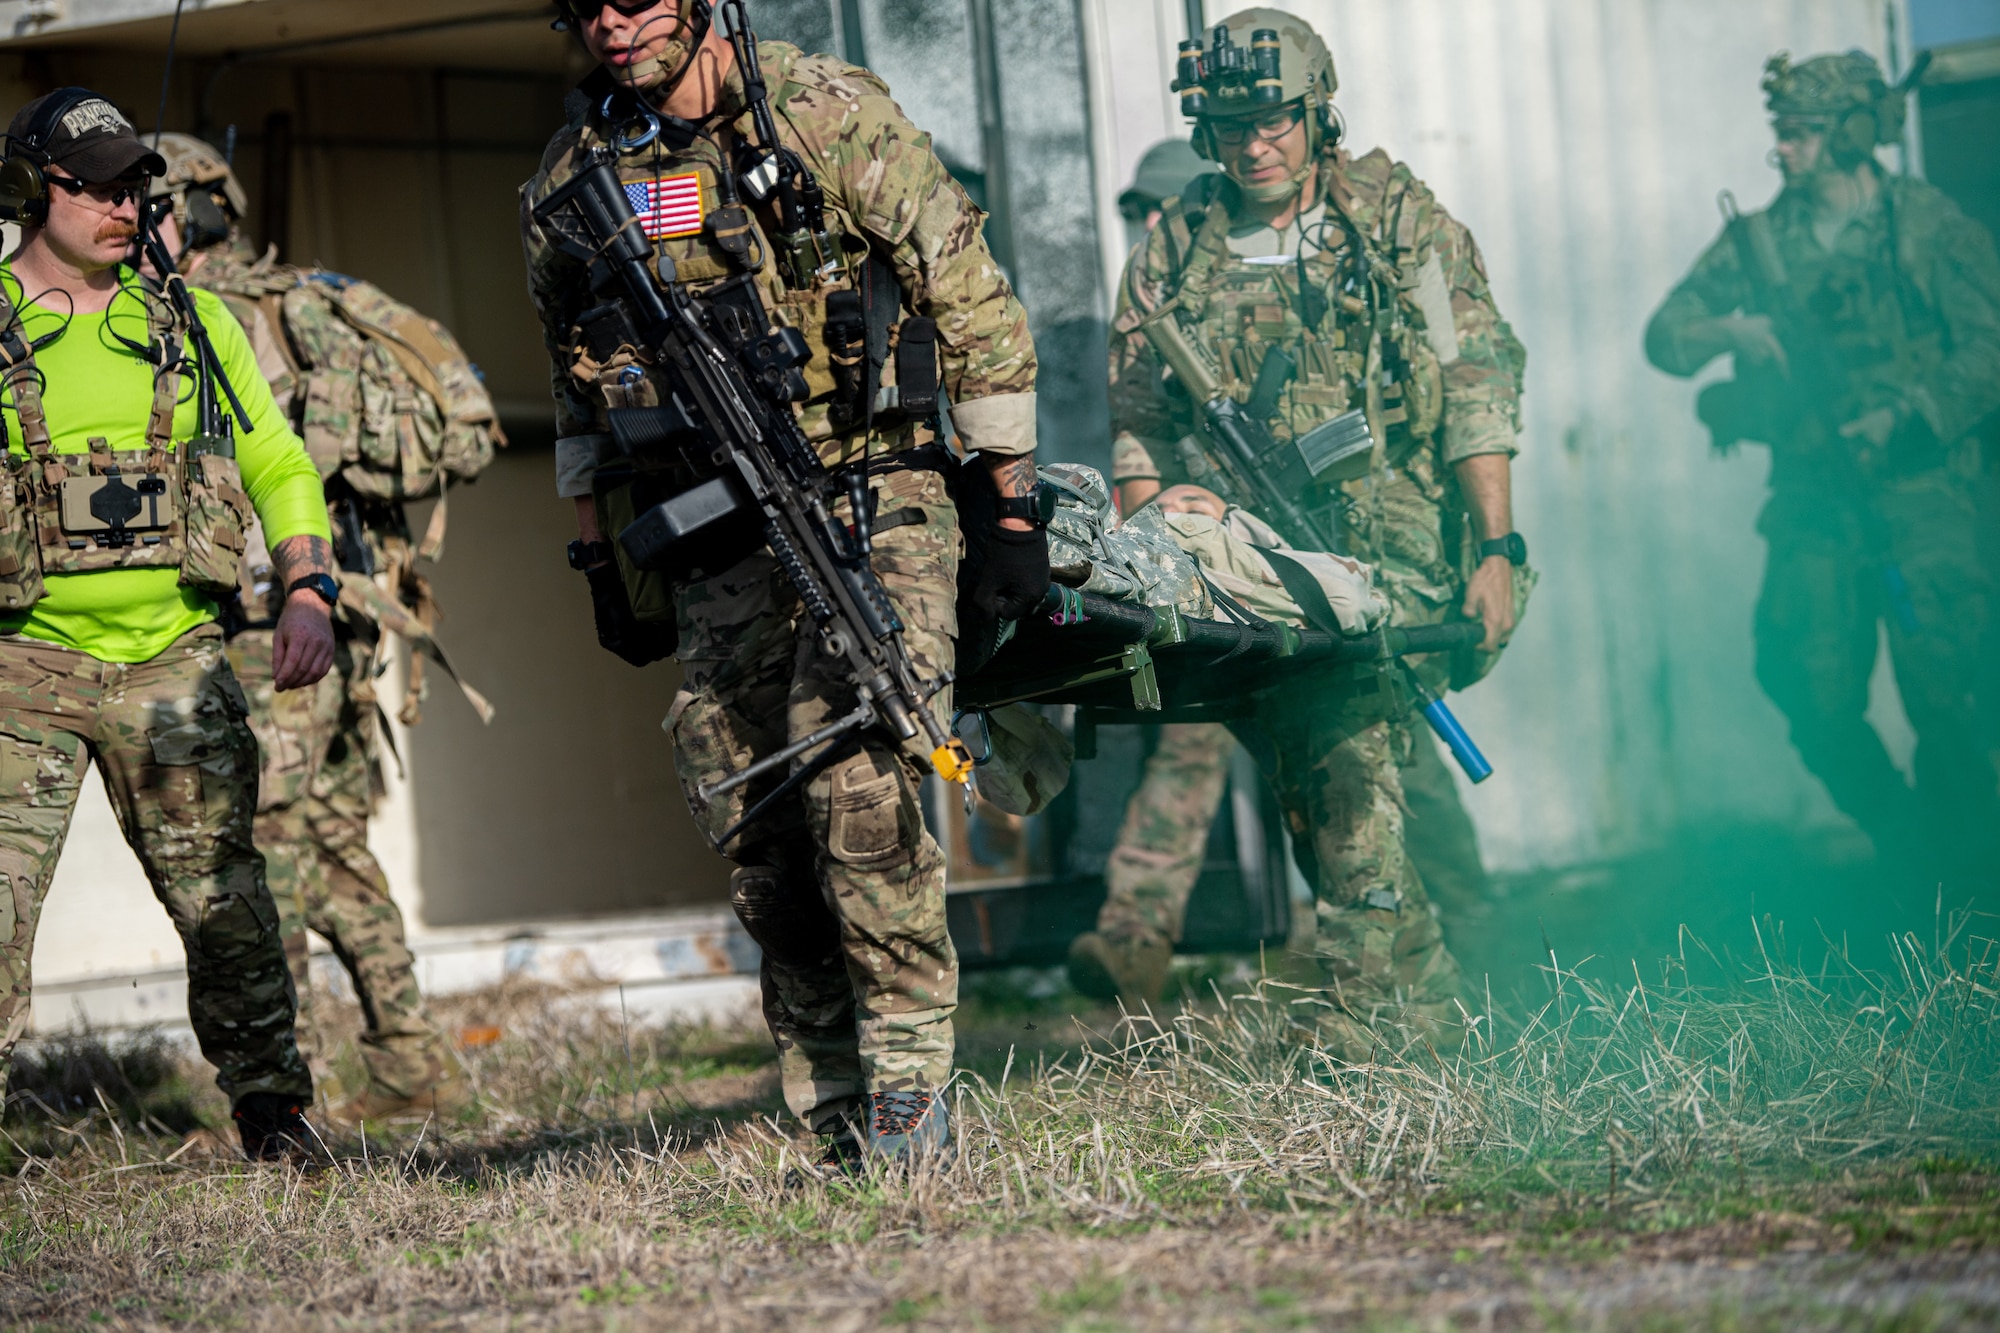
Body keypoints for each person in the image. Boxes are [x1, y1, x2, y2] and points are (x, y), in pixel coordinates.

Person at [522, 0, 1044, 1169]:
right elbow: (571, 388)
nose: (614, 27)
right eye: (587, 6)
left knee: (855, 765)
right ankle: (831, 1103)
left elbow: (968, 294)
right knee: (754, 810)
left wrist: (1006, 502)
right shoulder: (575, 177)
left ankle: (911, 1083)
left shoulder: (824, 112)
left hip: (875, 483)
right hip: (712, 516)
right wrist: (599, 557)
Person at [1083, 9, 1530, 1054]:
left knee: (1343, 748)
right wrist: (1155, 535)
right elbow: (1140, 425)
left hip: (1395, 546)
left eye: (1274, 119)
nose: (1254, 144)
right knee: (1314, 788)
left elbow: (1474, 384)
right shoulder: (1174, 252)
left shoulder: (1396, 221)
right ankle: (1435, 1003)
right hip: (1251, 568)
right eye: (1231, 124)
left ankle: (1377, 1019)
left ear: (1316, 109)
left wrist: (1496, 549)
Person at [0, 89, 332, 1159]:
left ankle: (275, 1118)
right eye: (93, 182)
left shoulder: (192, 319)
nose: (122, 201)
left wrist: (307, 588)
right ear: (25, 191)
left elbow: (277, 459)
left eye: (135, 182)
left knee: (226, 908)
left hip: (173, 661)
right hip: (21, 666)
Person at [144, 133, 497, 1124]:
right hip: (232, 624)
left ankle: (280, 1102)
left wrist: (320, 440)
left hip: (287, 623)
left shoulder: (284, 312)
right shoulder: (147, 317)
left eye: (156, 202)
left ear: (207, 210)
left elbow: (457, 428)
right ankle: (408, 1064)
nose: (136, 221)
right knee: (331, 844)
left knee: (264, 846)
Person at [1646, 52, 2000, 890]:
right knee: (1803, 681)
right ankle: (1910, 843)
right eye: (1781, 136)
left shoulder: (1926, 225)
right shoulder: (1761, 241)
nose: (1784, 152)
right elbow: (1666, 335)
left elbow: (1990, 345)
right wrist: (1732, 332)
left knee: (1948, 693)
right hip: (1814, 498)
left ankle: (1972, 886)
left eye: (1800, 135)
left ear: (1849, 133)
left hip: (1920, 493)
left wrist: (1905, 412)